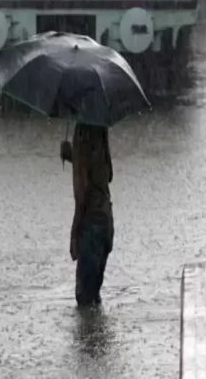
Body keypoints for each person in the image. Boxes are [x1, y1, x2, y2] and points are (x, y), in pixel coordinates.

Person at [60, 123, 114, 307]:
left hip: (91, 224)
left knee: (84, 301)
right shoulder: (101, 130)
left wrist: (74, 233)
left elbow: (82, 194)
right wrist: (73, 156)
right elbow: (107, 175)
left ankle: (89, 336)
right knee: (94, 300)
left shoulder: (82, 132)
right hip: (106, 221)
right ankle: (98, 336)